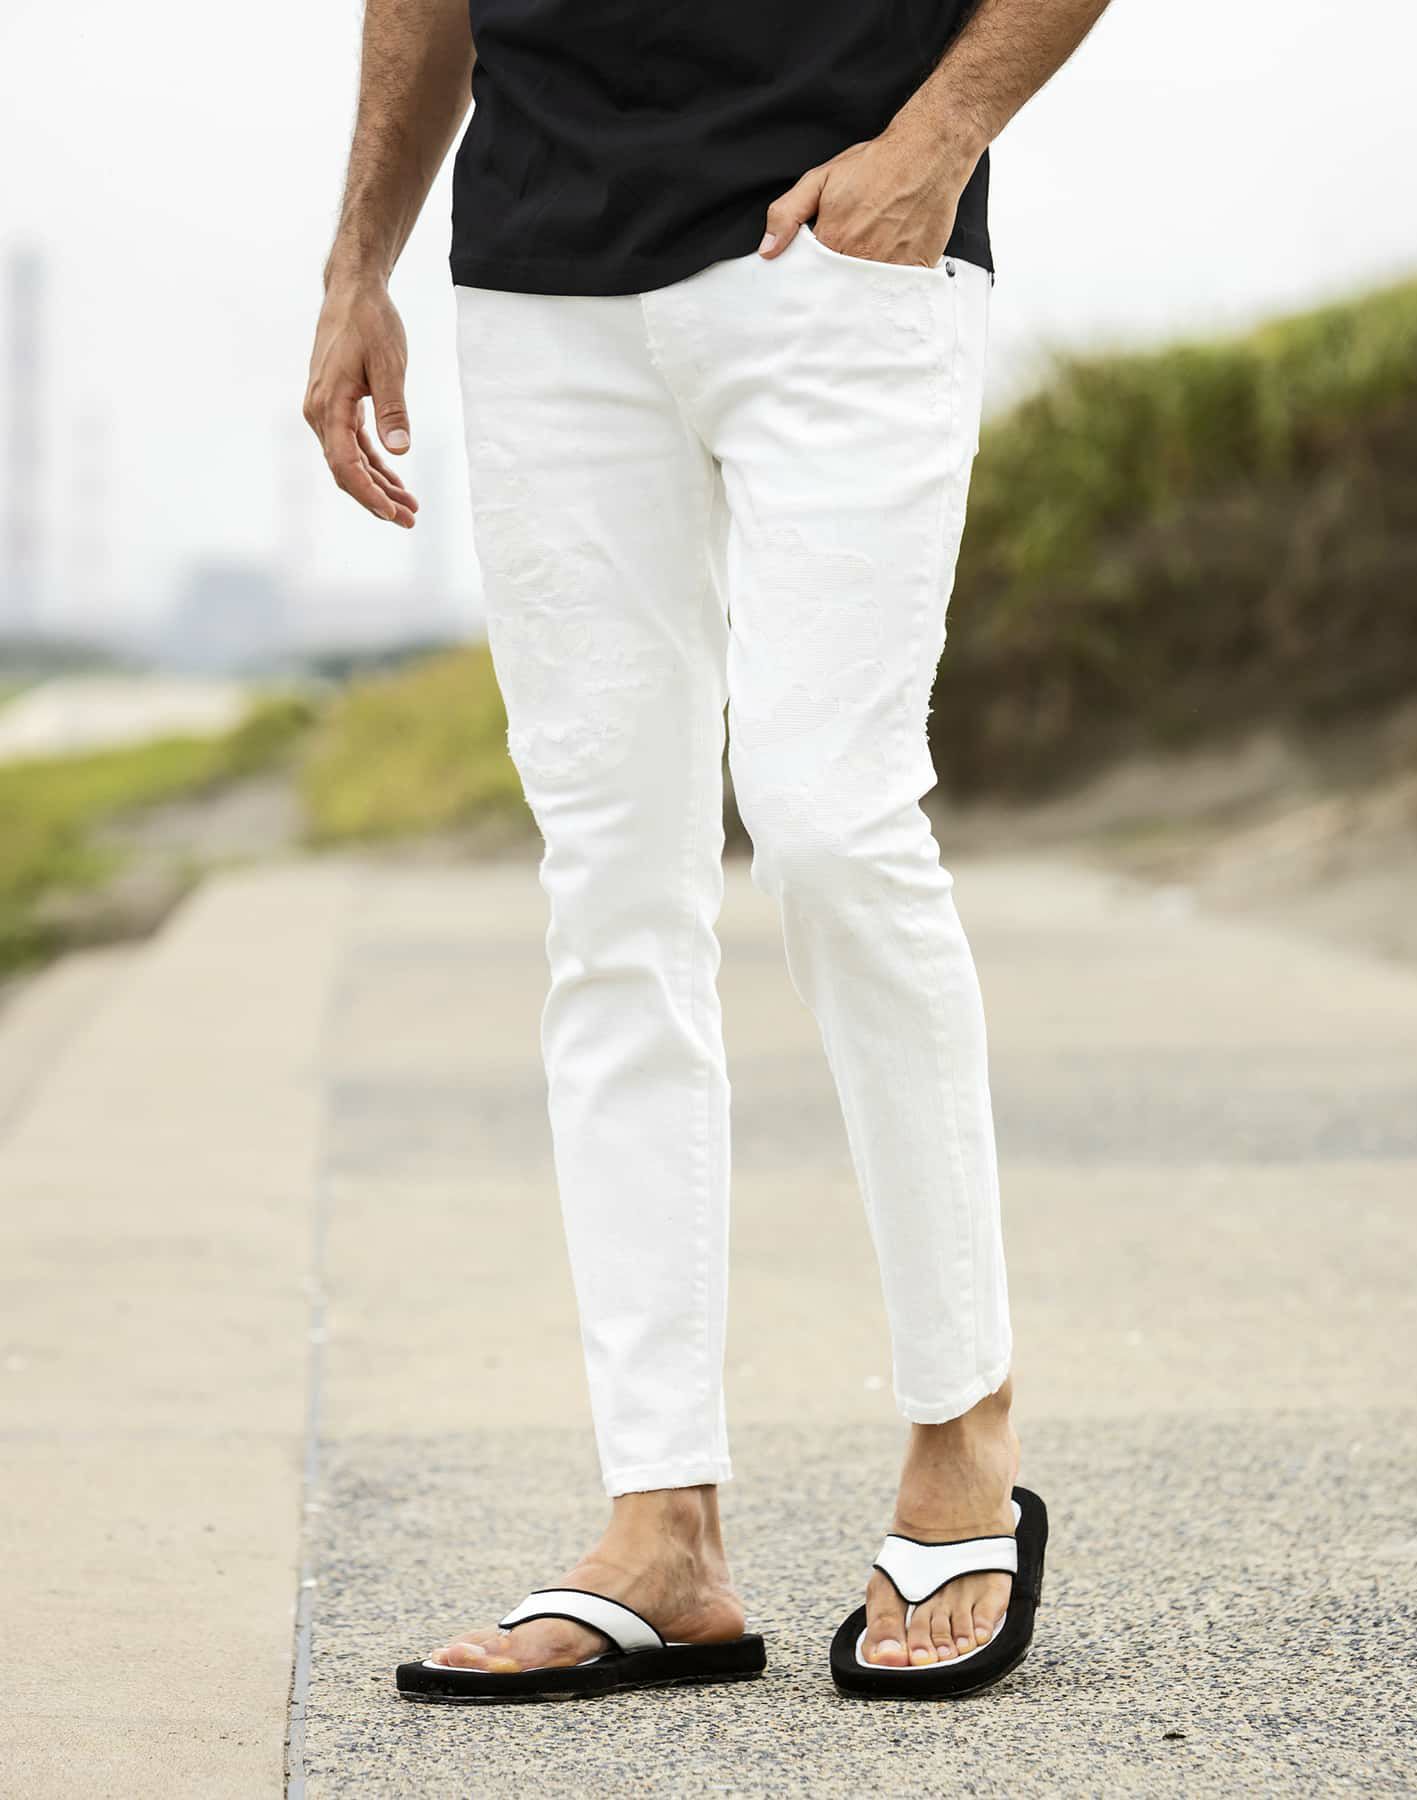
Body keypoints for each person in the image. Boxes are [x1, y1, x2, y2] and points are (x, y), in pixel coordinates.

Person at [305, 0, 1109, 1705]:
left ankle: (961, 1438)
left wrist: (940, 140)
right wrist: (357, 259)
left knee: (829, 822)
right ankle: (660, 1526)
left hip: (841, 240)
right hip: (540, 279)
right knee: (611, 892)